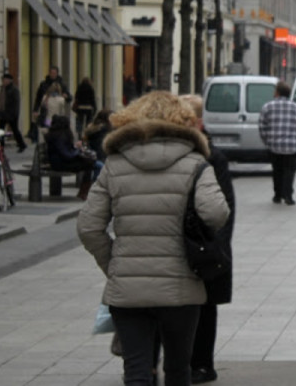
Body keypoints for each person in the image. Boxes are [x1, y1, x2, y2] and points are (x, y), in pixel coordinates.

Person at [76, 91, 230, 386]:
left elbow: (88, 226)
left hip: (128, 289)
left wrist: (115, 264)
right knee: (177, 369)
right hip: (181, 287)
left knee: (136, 372)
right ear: (184, 121)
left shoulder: (115, 164)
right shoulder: (196, 164)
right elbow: (216, 213)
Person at [180, 95, 236, 384]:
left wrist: (216, 248)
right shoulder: (177, 156)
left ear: (197, 122)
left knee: (204, 306)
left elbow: (225, 209)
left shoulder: (213, 158)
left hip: (204, 245)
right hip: (180, 244)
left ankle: (202, 363)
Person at [258, 81, 296, 205]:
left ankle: (277, 195)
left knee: (277, 170)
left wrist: (266, 140)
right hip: (292, 147)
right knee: (289, 171)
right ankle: (288, 195)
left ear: (277, 92)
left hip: (274, 146)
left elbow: (262, 126)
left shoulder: (267, 107)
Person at [46, 115, 102, 200]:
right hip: (61, 164)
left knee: (91, 163)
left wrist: (77, 149)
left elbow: (66, 151)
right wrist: (78, 153)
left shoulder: (56, 134)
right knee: (90, 164)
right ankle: (85, 192)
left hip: (58, 162)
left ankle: (85, 191)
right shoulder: (60, 136)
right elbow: (66, 154)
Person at [0, 73, 27, 152]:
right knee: (1, 130)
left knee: (15, 130)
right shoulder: (3, 89)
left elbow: (16, 103)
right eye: (3, 80)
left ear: (9, 80)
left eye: (5, 80)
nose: (3, 81)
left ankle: (22, 144)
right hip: (3, 113)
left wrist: (14, 114)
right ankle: (1, 146)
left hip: (11, 114)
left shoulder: (14, 89)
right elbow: (0, 101)